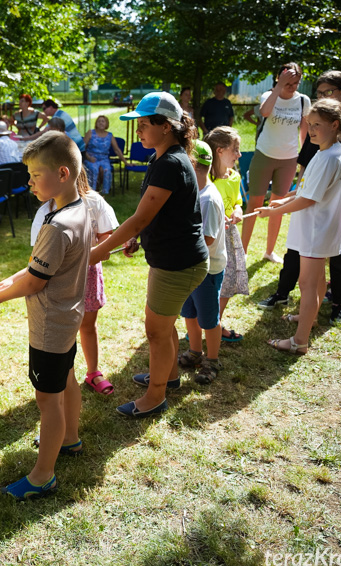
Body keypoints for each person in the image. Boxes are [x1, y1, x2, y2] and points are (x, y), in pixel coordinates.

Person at [0, 132, 91, 499]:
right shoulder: (76, 209)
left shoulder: (58, 226)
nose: (28, 183)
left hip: (50, 327)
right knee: (65, 378)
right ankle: (70, 439)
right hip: (68, 318)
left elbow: (34, 283)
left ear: (61, 173)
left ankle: (44, 474)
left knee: (47, 399)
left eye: (34, 176)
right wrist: (7, 281)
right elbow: (34, 269)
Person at [89, 92, 208, 418]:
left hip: (178, 263)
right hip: (170, 259)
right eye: (137, 124)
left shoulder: (170, 163)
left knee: (156, 331)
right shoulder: (163, 158)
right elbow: (157, 215)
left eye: (144, 124)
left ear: (167, 127)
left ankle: (155, 397)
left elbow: (139, 217)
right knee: (164, 324)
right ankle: (167, 378)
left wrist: (97, 252)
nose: (138, 131)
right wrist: (137, 239)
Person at [257, 71, 341, 325]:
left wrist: (275, 212)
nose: (311, 131)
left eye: (316, 126)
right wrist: (286, 199)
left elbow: (311, 197)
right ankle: (304, 314)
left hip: (319, 224)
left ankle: (302, 336)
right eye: (309, 125)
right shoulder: (324, 149)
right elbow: (307, 184)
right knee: (310, 279)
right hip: (314, 222)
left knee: (309, 282)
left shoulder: (331, 153)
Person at [30, 169, 118, 396]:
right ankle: (65, 373)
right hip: (58, 280)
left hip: (87, 276)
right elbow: (38, 254)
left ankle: (93, 372)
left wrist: (100, 249)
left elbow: (106, 239)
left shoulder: (94, 201)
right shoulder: (46, 211)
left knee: (88, 325)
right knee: (62, 331)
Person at [241, 63, 311, 262]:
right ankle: (243, 251)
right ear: (279, 79)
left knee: (277, 205)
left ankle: (269, 251)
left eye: (296, 83)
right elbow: (264, 112)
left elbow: (304, 132)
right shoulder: (268, 96)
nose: (293, 87)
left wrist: (304, 159)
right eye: (289, 82)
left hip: (288, 159)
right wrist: (279, 87)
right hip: (264, 155)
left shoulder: (303, 101)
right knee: (254, 202)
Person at [178, 141, 226, 384]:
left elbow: (206, 238)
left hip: (207, 269)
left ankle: (213, 360)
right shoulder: (194, 192)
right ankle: (195, 352)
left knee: (209, 319)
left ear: (193, 165)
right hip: (191, 267)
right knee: (190, 313)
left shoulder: (208, 199)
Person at [205, 127, 248, 342]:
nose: (239, 155)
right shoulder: (205, 179)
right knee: (206, 282)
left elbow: (237, 201)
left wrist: (238, 210)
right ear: (220, 151)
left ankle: (215, 322)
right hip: (210, 240)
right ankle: (199, 324)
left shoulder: (234, 176)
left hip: (229, 238)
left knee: (228, 281)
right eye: (236, 150)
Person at [82, 115, 126, 195]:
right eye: (99, 121)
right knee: (94, 169)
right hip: (91, 157)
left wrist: (126, 162)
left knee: (106, 170)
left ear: (106, 124)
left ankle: (103, 192)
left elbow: (117, 150)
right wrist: (88, 157)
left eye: (103, 121)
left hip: (104, 158)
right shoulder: (90, 132)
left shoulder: (110, 135)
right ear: (96, 123)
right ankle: (92, 191)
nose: (101, 123)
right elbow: (82, 147)